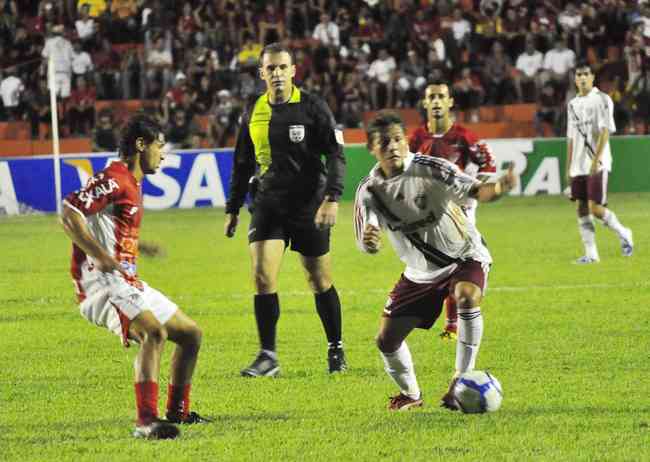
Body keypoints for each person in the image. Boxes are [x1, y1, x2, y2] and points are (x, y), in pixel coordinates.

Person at [354, 111, 516, 411]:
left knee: (466, 297)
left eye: (398, 140)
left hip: (464, 255)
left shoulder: (432, 168)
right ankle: (411, 394)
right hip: (420, 272)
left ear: (406, 141)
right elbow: (368, 238)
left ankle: (460, 380)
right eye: (384, 142)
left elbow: (476, 190)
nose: (392, 147)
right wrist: (370, 243)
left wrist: (500, 187)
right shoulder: (368, 191)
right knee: (386, 341)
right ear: (371, 149)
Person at [60, 114, 208, 439]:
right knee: (154, 333)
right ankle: (145, 422)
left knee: (191, 334)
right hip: (101, 285)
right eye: (159, 146)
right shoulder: (114, 177)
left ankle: (178, 413)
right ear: (141, 145)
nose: (163, 154)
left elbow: (111, 230)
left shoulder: (132, 181)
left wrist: (141, 246)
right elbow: (69, 212)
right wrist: (100, 256)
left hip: (126, 281)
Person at [224, 43, 347, 376]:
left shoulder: (313, 107)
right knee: (263, 276)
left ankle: (335, 347)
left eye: (282, 67)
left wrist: (332, 198)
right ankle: (268, 356)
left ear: (293, 71)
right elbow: (242, 160)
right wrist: (233, 206)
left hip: (310, 204)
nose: (277, 73)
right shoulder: (253, 110)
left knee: (318, 279)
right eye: (271, 69)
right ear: (261, 73)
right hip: (268, 203)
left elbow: (335, 155)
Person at [409, 81, 496, 341]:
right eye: (431, 97)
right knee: (440, 264)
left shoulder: (464, 137)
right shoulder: (416, 139)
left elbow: (488, 164)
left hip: (460, 212)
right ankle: (451, 317)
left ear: (450, 102)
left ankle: (453, 323)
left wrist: (472, 193)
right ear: (425, 103)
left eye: (441, 97)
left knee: (456, 261)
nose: (436, 102)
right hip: (428, 215)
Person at [566, 60, 634, 264]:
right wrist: (568, 167)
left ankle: (624, 232)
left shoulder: (602, 99)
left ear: (592, 77)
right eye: (579, 75)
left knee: (595, 208)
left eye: (586, 74)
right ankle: (591, 254)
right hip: (577, 164)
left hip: (598, 161)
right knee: (581, 208)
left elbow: (605, 131)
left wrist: (596, 160)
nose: (582, 78)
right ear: (575, 79)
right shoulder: (572, 104)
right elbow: (570, 138)